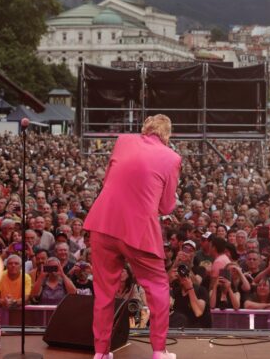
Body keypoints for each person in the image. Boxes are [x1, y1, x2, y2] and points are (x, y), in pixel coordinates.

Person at [84, 114, 181, 359]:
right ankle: (159, 351)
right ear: (167, 135)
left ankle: (101, 353)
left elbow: (108, 180)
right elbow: (167, 206)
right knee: (158, 287)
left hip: (103, 223)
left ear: (144, 129)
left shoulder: (123, 140)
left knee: (104, 292)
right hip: (138, 231)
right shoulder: (172, 158)